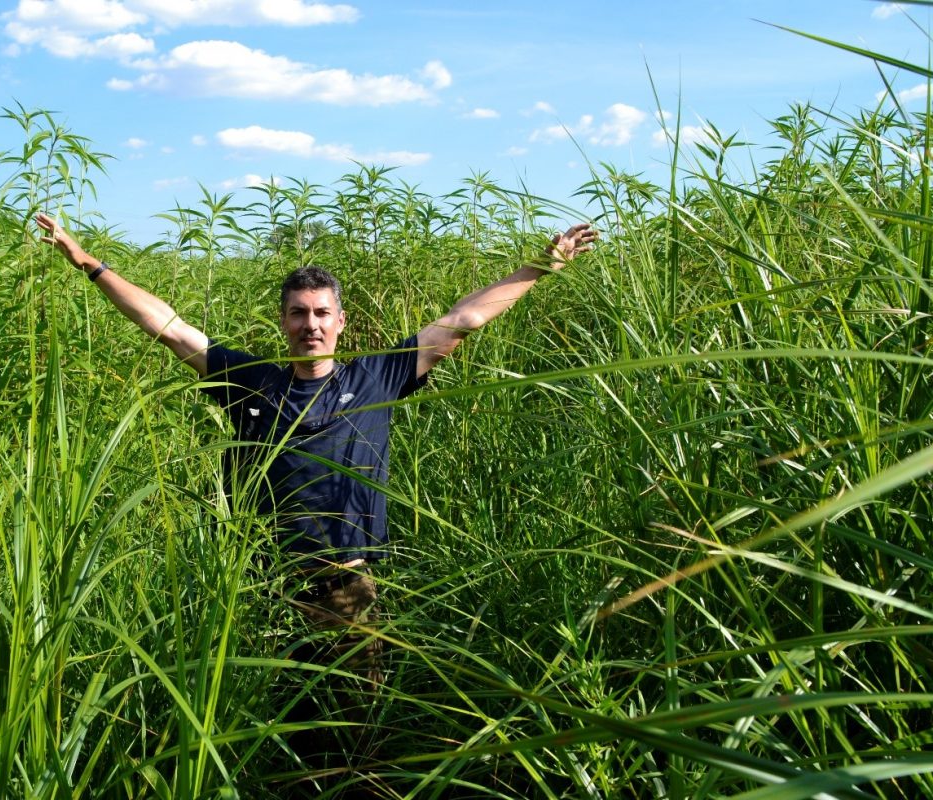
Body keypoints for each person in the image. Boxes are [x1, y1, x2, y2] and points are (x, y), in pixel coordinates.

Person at [34, 211, 597, 782]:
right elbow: (170, 327)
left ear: (341, 321)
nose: (311, 324)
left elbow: (463, 318)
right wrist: (89, 264)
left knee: (358, 743)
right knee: (284, 741)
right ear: (282, 321)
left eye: (322, 313)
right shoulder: (252, 382)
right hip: (266, 593)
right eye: (299, 313)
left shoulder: (379, 377)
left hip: (349, 590)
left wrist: (543, 265)